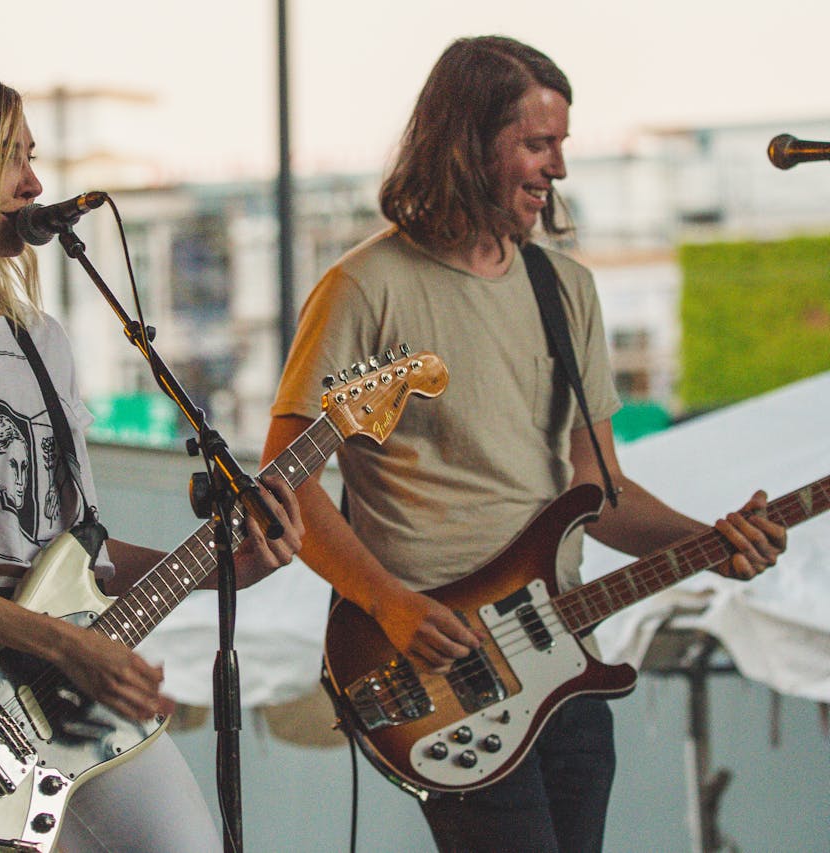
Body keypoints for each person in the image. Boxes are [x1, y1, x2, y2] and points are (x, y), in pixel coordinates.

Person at [263, 36, 787, 853]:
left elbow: (598, 489)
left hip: (563, 658)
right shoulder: (365, 287)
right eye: (538, 144)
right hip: (442, 669)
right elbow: (288, 485)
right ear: (469, 143)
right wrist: (390, 604)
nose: (558, 169)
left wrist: (709, 542)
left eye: (562, 146)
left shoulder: (564, 288)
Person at [0, 69, 303, 852]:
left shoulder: (43, 337)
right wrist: (67, 644)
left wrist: (230, 564)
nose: (35, 184)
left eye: (32, 156)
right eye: (9, 158)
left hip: (68, 684)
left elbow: (77, 557)